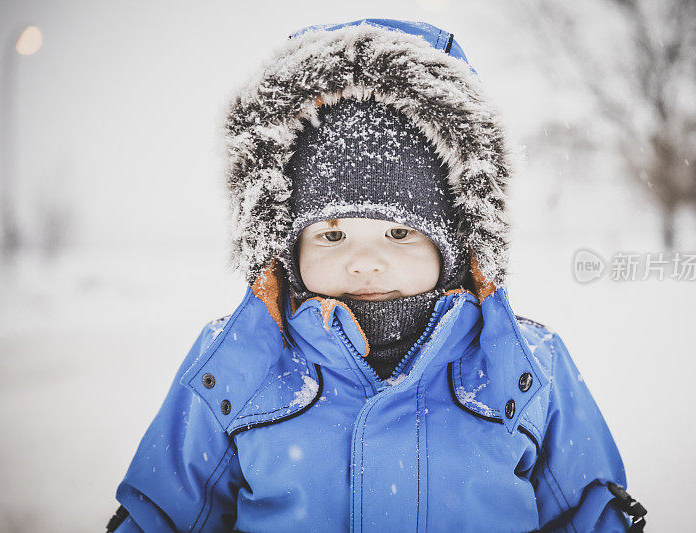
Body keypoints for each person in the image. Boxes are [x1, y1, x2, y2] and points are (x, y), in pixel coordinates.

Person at [108, 19, 645, 532]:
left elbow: (588, 513)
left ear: (456, 244)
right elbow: (162, 514)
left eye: (399, 232)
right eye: (333, 236)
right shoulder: (240, 364)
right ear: (285, 248)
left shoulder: (524, 367)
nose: (365, 262)